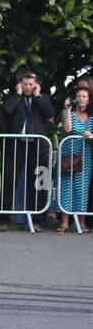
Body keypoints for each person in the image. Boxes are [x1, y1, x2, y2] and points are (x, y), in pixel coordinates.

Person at [0, 72, 56, 231]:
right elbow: (6, 111)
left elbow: (50, 114)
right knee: (9, 183)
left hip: (37, 147)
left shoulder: (42, 99)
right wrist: (17, 95)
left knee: (36, 185)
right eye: (25, 84)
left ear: (36, 85)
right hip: (15, 146)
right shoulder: (13, 98)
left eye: (31, 84)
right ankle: (3, 220)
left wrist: (38, 96)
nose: (28, 87)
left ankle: (36, 221)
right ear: (20, 84)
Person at [58, 88, 92, 233]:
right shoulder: (67, 114)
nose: (81, 99)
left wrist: (90, 135)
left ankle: (80, 221)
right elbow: (67, 128)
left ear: (89, 100)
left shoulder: (91, 118)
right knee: (66, 188)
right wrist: (68, 109)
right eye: (78, 96)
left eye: (84, 96)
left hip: (85, 157)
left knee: (81, 189)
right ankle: (65, 222)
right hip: (67, 156)